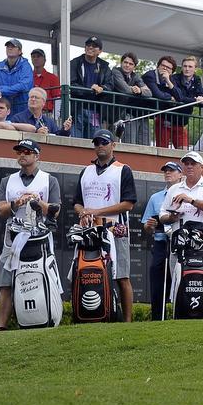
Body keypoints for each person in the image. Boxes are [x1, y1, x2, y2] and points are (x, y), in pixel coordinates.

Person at [0, 138, 61, 331]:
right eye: (19, 152)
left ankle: (47, 318)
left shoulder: (50, 180)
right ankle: (2, 327)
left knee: (47, 277)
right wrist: (17, 203)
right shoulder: (7, 181)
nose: (22, 155)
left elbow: (55, 211)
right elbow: (0, 210)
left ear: (36, 155)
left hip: (40, 239)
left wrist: (37, 201)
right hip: (13, 238)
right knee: (6, 282)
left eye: (26, 152)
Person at [73, 128, 138, 322]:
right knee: (81, 271)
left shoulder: (122, 169)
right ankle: (84, 315)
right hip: (89, 230)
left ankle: (127, 322)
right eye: (97, 143)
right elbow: (76, 202)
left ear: (113, 145)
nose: (100, 146)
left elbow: (129, 203)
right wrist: (82, 212)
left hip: (115, 229)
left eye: (104, 142)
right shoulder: (86, 171)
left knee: (121, 276)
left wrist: (97, 212)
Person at [142, 161, 183, 321]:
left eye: (171, 170)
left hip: (181, 244)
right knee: (157, 277)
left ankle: (181, 315)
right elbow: (146, 226)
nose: (167, 173)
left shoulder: (186, 194)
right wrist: (149, 226)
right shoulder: (155, 198)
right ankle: (158, 316)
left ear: (180, 174)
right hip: (161, 243)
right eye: (165, 171)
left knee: (179, 278)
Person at [68, 36, 111, 138]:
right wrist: (90, 90)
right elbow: (71, 84)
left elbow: (110, 85)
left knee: (94, 142)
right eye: (88, 45)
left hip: (96, 110)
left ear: (100, 51)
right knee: (76, 142)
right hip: (78, 108)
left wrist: (102, 88)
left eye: (94, 46)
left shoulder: (104, 66)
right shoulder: (75, 63)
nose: (90, 47)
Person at [106, 52, 152, 143]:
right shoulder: (115, 71)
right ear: (121, 63)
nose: (127, 65)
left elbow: (149, 93)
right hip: (111, 113)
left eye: (130, 64)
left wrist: (140, 91)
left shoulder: (135, 76)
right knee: (111, 142)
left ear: (134, 67)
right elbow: (125, 90)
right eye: (125, 62)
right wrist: (133, 89)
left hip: (123, 113)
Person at [170, 55, 203, 150]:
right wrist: (195, 100)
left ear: (195, 69)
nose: (187, 69)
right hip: (166, 120)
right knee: (161, 151)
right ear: (181, 67)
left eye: (190, 66)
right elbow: (180, 97)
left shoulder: (197, 79)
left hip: (182, 123)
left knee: (184, 152)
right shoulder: (174, 78)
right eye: (185, 66)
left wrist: (200, 100)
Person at [143, 56, 181, 148]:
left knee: (144, 143)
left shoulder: (170, 79)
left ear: (172, 71)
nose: (164, 68)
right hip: (135, 111)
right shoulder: (150, 75)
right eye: (162, 65)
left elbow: (179, 97)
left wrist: (168, 80)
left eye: (168, 68)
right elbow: (158, 94)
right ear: (158, 66)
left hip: (147, 115)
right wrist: (170, 97)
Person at [0, 38, 34, 116]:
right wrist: (8, 89)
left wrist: (3, 91)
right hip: (4, 111)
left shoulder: (26, 66)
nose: (10, 48)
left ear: (20, 51)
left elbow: (24, 85)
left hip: (22, 109)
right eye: (8, 46)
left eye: (13, 46)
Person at [10, 87, 74, 136]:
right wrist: (36, 133)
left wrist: (65, 130)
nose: (33, 99)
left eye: (36, 97)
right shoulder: (18, 118)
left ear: (43, 102)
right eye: (31, 97)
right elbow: (14, 136)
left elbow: (57, 136)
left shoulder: (49, 121)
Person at [30, 48, 61, 115]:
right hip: (30, 112)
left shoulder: (53, 78)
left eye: (38, 56)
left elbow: (57, 98)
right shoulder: (28, 77)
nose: (35, 58)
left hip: (46, 113)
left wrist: (56, 116)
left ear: (44, 60)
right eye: (33, 57)